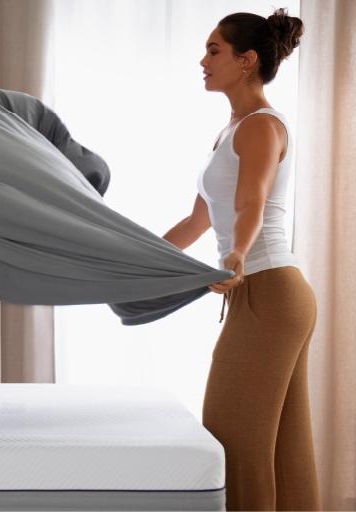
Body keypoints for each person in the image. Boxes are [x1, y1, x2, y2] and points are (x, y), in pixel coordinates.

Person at [161, 8, 320, 511]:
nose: (203, 60)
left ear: (247, 60)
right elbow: (196, 222)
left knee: (234, 443)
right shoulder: (229, 132)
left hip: (268, 289)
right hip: (268, 292)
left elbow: (252, 202)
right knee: (282, 452)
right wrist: (134, 259)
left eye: (214, 50)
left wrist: (236, 254)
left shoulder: (260, 126)